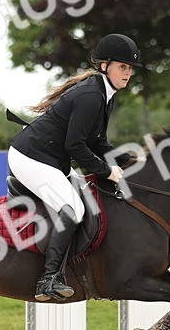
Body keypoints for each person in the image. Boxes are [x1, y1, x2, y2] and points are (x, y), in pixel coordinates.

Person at [8, 33, 140, 302]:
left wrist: (129, 160)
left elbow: (97, 140)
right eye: (122, 67)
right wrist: (106, 171)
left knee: (86, 201)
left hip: (51, 159)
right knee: (73, 209)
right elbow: (75, 146)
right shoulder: (91, 95)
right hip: (30, 156)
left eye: (130, 69)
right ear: (105, 66)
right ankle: (48, 278)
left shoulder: (105, 94)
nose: (128, 73)